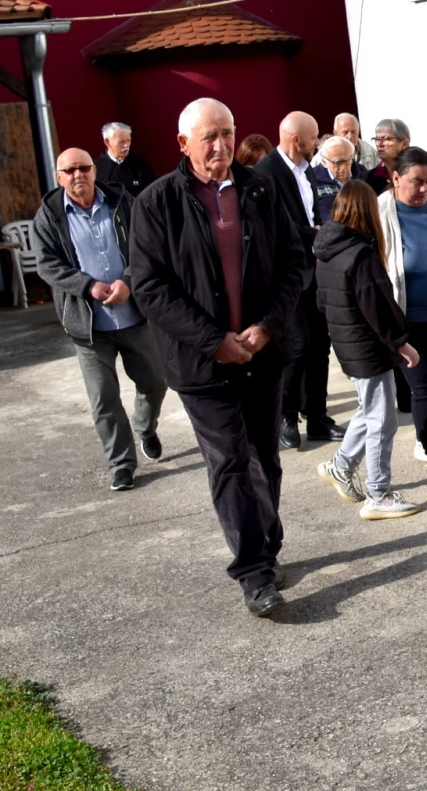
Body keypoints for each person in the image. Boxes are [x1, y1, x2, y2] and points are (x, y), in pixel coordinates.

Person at [129, 98, 305, 618]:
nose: (221, 145)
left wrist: (268, 326)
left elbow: (295, 263)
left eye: (227, 133)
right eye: (209, 136)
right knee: (229, 460)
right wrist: (213, 340)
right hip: (202, 365)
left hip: (262, 353)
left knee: (265, 457)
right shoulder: (157, 202)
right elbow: (150, 287)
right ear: (183, 144)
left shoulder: (261, 188)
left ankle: (266, 545)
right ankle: (253, 572)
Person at [33, 148, 168, 491]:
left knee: (155, 382)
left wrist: (128, 281)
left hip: (133, 315)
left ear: (94, 171)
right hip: (88, 326)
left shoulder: (123, 201)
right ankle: (121, 464)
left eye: (83, 168)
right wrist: (87, 286)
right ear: (59, 177)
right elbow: (47, 265)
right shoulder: (48, 215)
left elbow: (148, 247)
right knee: (104, 398)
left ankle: (145, 426)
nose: (77, 175)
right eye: (69, 170)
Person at [314, 180, 422, 520]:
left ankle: (341, 466)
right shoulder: (360, 253)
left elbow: (322, 302)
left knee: (369, 410)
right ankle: (378, 493)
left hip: (348, 344)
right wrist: (401, 342)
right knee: (382, 421)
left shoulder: (328, 249)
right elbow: (379, 305)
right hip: (366, 346)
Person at [257, 112, 345, 449]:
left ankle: (318, 416)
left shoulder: (307, 170)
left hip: (316, 269)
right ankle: (286, 416)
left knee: (320, 345)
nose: (317, 143)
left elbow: (312, 212)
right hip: (286, 274)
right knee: (296, 347)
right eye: (313, 138)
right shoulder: (266, 174)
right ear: (297, 140)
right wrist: (316, 234)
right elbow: (273, 227)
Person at [378, 146, 427, 488]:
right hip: (406, 318)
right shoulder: (379, 211)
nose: (424, 189)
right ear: (395, 179)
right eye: (416, 182)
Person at [366, 119, 427, 199]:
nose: (379, 144)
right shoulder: (367, 179)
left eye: (386, 139)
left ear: (404, 144)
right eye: (377, 139)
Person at [94, 122, 156, 198]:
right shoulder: (96, 168)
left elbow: (152, 192)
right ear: (107, 142)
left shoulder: (141, 165)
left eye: (128, 141)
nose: (126, 145)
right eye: (121, 142)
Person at [313, 135, 362, 224]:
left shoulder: (362, 174)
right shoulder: (313, 179)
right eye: (338, 163)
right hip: (330, 234)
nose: (343, 168)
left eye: (348, 161)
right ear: (324, 162)